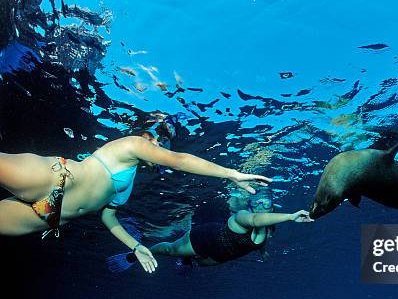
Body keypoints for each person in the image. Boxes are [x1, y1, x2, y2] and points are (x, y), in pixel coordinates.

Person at [0, 114, 272, 272]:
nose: (164, 147)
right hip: (53, 179)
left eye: (167, 141)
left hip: (47, 217)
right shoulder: (131, 146)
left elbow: (109, 220)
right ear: (149, 135)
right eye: (162, 138)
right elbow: (178, 160)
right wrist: (230, 173)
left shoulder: (127, 185)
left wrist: (136, 245)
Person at [106, 186, 313, 273]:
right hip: (205, 239)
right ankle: (135, 254)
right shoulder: (243, 216)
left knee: (200, 265)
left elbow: (263, 231)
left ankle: (188, 259)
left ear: (271, 205)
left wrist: (263, 251)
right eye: (256, 202)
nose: (260, 205)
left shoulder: (269, 226)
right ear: (250, 205)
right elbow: (256, 219)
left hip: (223, 255)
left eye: (265, 201)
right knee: (170, 250)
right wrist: (291, 216)